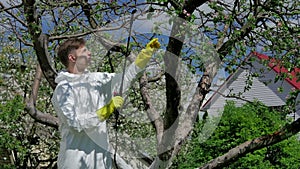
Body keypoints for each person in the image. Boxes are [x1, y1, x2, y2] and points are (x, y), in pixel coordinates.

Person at [51, 37, 160, 169]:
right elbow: (75, 124)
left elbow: (124, 80)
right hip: (74, 162)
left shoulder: (97, 79)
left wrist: (142, 59)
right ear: (72, 58)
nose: (89, 53)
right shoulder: (63, 89)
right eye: (84, 51)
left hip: (101, 163)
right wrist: (106, 110)